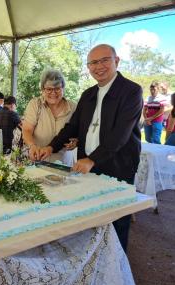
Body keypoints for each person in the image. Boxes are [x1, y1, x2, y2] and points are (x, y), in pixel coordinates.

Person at [39, 44, 143, 252]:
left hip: (118, 167)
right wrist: (51, 147)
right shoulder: (88, 94)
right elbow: (73, 127)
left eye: (105, 60)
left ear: (117, 61)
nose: (99, 66)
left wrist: (92, 159)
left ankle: (116, 266)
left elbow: (120, 135)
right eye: (93, 63)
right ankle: (93, 261)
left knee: (116, 220)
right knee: (90, 217)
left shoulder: (131, 91)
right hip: (88, 166)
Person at [22, 68, 77, 165]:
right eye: (49, 89)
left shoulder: (73, 107)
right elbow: (27, 130)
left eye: (57, 88)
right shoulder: (35, 104)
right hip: (38, 161)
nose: (53, 93)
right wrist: (32, 146)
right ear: (42, 89)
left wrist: (76, 141)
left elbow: (79, 132)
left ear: (63, 88)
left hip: (64, 164)